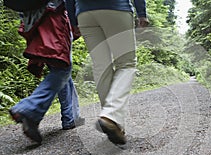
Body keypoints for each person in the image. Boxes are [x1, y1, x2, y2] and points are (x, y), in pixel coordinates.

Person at [65, 0, 149, 145]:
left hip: (84, 14)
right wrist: (142, 13)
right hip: (116, 8)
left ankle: (113, 122)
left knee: (101, 67)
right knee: (126, 64)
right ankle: (110, 115)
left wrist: (73, 20)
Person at [9, 0, 84, 144]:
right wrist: (75, 19)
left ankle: (70, 117)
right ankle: (29, 108)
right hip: (53, 14)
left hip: (31, 18)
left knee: (59, 65)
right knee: (62, 68)